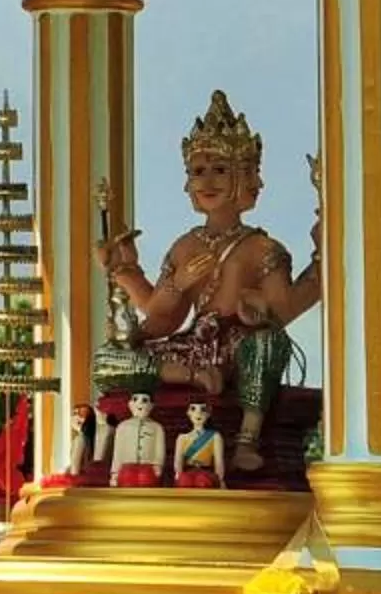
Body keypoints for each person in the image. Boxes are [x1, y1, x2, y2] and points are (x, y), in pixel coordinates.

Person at [97, 92, 322, 471]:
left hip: (239, 349)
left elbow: (284, 310)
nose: (207, 181)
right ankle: (194, 377)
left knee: (269, 343)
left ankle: (247, 439)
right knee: (106, 359)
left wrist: (264, 306)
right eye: (197, 171)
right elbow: (160, 321)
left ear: (245, 178)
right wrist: (126, 272)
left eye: (219, 169)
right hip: (192, 350)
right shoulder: (186, 246)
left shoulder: (261, 248)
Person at [106, 390, 166, 487]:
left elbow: (160, 448)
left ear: (151, 405)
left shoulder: (156, 427)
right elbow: (118, 451)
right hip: (126, 468)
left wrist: (158, 464)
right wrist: (115, 473)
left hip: (148, 468)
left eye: (145, 400)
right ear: (130, 404)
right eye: (135, 399)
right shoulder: (123, 426)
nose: (140, 403)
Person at [175, 400, 226, 488]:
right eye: (193, 409)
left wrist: (220, 478)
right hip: (189, 472)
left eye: (203, 409)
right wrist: (178, 473)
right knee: (185, 481)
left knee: (203, 482)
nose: (198, 413)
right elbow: (178, 460)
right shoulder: (182, 438)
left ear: (208, 413)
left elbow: (219, 461)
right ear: (188, 412)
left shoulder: (214, 436)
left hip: (206, 473)